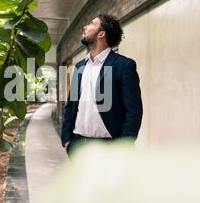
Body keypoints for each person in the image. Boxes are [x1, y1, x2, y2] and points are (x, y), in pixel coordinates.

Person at [61, 13, 143, 157]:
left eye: (92, 24)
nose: (86, 27)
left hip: (109, 148)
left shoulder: (124, 66)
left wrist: (123, 147)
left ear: (101, 34)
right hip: (78, 146)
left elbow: (133, 111)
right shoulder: (80, 66)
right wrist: (67, 140)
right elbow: (71, 106)